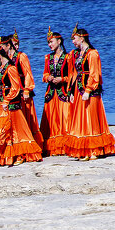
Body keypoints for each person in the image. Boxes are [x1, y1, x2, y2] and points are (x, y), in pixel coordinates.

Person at [0, 43, 43, 165]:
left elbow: (15, 88)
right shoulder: (0, 68)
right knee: (7, 130)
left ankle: (22, 154)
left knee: (18, 130)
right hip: (2, 100)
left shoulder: (11, 68)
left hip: (11, 102)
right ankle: (8, 155)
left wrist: (7, 100)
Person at [65, 25, 115, 160]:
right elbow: (74, 73)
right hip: (78, 89)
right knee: (81, 119)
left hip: (89, 90)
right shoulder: (76, 54)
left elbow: (94, 74)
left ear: (82, 38)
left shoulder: (92, 53)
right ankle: (85, 149)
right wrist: (70, 90)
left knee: (90, 118)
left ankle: (94, 150)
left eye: (74, 39)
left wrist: (88, 89)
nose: (73, 42)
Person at [40, 28, 73, 156]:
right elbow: (44, 74)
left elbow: (72, 75)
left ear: (59, 41)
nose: (50, 45)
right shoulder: (48, 57)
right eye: (48, 43)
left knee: (64, 118)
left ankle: (66, 146)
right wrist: (47, 77)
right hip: (51, 93)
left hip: (62, 92)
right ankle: (51, 147)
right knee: (51, 120)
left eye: (51, 42)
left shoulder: (68, 57)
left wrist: (62, 79)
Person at [8, 31, 40, 136]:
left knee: (25, 115)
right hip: (10, 90)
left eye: (17, 44)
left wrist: (27, 90)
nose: (16, 46)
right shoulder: (4, 58)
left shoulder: (21, 56)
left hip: (22, 90)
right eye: (14, 44)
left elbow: (28, 74)